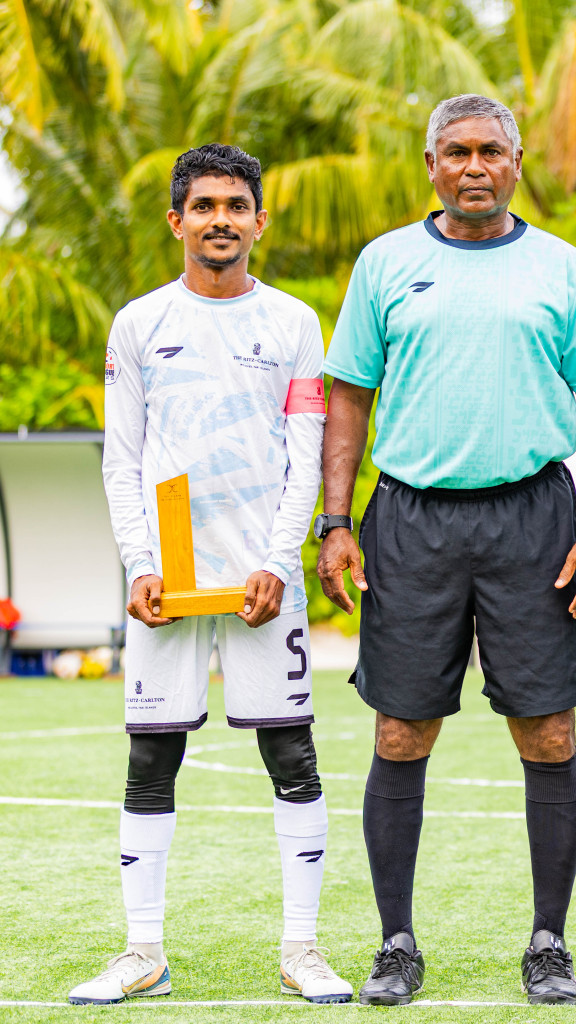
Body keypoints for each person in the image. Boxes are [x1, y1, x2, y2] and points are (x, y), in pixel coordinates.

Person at [317, 94, 576, 1006]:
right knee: (401, 730)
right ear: (431, 165)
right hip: (411, 519)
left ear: (518, 161)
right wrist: (336, 522)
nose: (475, 166)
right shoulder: (386, 264)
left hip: (534, 519)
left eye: (492, 150)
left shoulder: (561, 269)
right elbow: (347, 398)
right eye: (457, 152)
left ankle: (548, 942)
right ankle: (396, 943)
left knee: (549, 730)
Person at [80, 144, 350, 1005]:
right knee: (151, 758)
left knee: (290, 754)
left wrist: (279, 560)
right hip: (168, 583)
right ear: (177, 221)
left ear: (260, 221)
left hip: (262, 580)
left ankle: (302, 949)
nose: (220, 220)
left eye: (236, 205)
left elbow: (304, 456)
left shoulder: (296, 322)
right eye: (204, 206)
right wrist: (140, 564)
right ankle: (142, 951)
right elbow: (122, 460)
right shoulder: (138, 323)